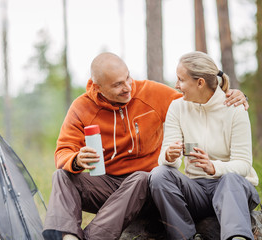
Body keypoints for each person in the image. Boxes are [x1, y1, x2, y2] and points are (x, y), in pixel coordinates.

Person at [42, 52, 248, 240]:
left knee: (141, 177)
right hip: (108, 185)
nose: (127, 87)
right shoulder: (82, 107)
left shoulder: (151, 93)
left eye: (128, 78)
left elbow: (197, 98)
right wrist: (76, 160)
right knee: (62, 175)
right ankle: (68, 236)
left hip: (146, 188)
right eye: (117, 85)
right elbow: (63, 151)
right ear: (97, 87)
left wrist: (233, 96)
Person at [148, 51, 260, 240]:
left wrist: (213, 167)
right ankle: (184, 236)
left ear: (200, 82)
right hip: (197, 191)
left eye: (181, 80)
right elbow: (167, 163)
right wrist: (170, 156)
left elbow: (243, 164)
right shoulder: (177, 107)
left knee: (230, 180)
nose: (176, 86)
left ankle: (237, 236)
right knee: (159, 175)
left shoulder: (235, 107)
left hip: (234, 190)